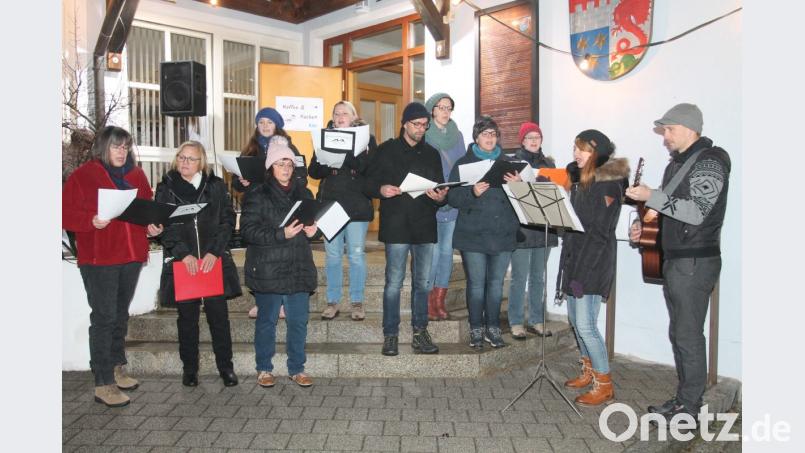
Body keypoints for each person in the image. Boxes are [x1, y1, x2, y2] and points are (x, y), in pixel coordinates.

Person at [625, 103, 730, 421]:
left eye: (669, 130)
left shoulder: (710, 162)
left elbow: (696, 211)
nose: (664, 137)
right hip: (677, 259)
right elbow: (668, 209)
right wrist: (645, 225)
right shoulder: (677, 165)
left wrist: (651, 197)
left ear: (688, 128)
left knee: (687, 335)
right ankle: (685, 398)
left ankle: (690, 406)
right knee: (681, 333)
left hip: (695, 261)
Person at [62, 126, 163, 407]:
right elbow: (64, 213)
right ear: (103, 148)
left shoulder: (136, 175)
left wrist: (152, 225)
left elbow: (144, 210)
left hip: (130, 256)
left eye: (125, 147)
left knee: (119, 315)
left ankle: (117, 366)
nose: (121, 152)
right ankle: (103, 382)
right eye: (116, 147)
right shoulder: (85, 175)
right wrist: (90, 220)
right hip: (100, 259)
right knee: (104, 318)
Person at [364, 102, 449, 356]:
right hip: (397, 224)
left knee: (422, 284)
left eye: (425, 125)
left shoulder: (433, 154)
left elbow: (440, 189)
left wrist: (440, 197)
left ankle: (420, 332)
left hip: (424, 225)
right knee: (394, 283)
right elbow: (367, 182)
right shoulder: (386, 150)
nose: (421, 129)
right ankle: (390, 335)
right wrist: (380, 190)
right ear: (404, 124)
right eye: (417, 124)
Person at [155, 141, 242, 387]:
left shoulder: (214, 186)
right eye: (181, 157)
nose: (184, 162)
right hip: (186, 264)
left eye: (191, 159)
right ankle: (190, 369)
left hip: (211, 261)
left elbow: (227, 219)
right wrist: (184, 255)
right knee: (187, 320)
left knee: (219, 318)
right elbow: (164, 226)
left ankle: (226, 368)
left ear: (201, 162)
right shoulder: (166, 188)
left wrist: (215, 252)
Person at [240, 137, 319, 388]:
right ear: (270, 167)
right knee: (267, 321)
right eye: (279, 163)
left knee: (298, 321)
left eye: (289, 163)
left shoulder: (305, 193)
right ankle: (264, 368)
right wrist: (279, 234)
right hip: (268, 268)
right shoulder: (257, 193)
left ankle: (297, 368)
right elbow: (248, 232)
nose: (286, 168)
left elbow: (311, 227)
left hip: (298, 266)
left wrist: (313, 231)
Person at [558, 129, 629, 407]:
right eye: (576, 148)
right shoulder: (583, 179)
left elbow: (599, 229)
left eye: (584, 149)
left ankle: (604, 383)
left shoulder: (608, 183)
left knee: (587, 326)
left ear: (597, 153)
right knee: (576, 321)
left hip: (593, 261)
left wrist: (584, 268)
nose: (577, 154)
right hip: (577, 258)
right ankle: (588, 370)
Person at [447, 116, 521, 349]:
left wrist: (519, 186)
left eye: (493, 134)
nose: (489, 138)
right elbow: (452, 198)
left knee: (496, 285)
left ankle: (493, 327)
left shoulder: (509, 163)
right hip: (473, 234)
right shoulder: (462, 164)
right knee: (477, 285)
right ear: (476, 137)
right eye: (485, 134)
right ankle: (476, 328)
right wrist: (473, 193)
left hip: (503, 233)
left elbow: (522, 202)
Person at [235, 107, 307, 320]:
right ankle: (262, 300)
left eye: (270, 122)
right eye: (261, 122)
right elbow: (236, 182)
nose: (265, 126)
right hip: (258, 207)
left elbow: (300, 173)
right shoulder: (250, 149)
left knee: (283, 256)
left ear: (278, 125)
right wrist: (241, 181)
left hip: (282, 205)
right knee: (260, 258)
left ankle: (283, 302)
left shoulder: (289, 147)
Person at [308, 100, 377, 321]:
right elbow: (314, 171)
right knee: (333, 255)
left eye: (344, 113)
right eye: (336, 113)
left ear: (353, 116)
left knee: (356, 255)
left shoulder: (367, 138)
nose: (339, 117)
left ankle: (357, 302)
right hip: (331, 204)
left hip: (356, 204)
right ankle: (332, 301)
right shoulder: (324, 137)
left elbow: (368, 168)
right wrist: (329, 162)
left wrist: (345, 154)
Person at [507, 122, 559, 339]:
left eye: (537, 136)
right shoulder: (512, 163)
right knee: (519, 277)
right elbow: (508, 194)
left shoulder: (550, 164)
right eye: (529, 137)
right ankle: (516, 321)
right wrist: (518, 184)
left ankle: (537, 320)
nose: (534, 140)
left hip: (545, 226)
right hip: (522, 227)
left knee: (539, 276)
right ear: (522, 140)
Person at [423, 92, 466, 321]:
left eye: (449, 107)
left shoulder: (457, 136)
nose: (445, 112)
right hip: (430, 200)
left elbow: (461, 164)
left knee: (446, 252)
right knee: (431, 253)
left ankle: (440, 299)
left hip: (452, 200)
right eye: (440, 107)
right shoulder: (424, 134)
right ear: (432, 110)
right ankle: (428, 300)